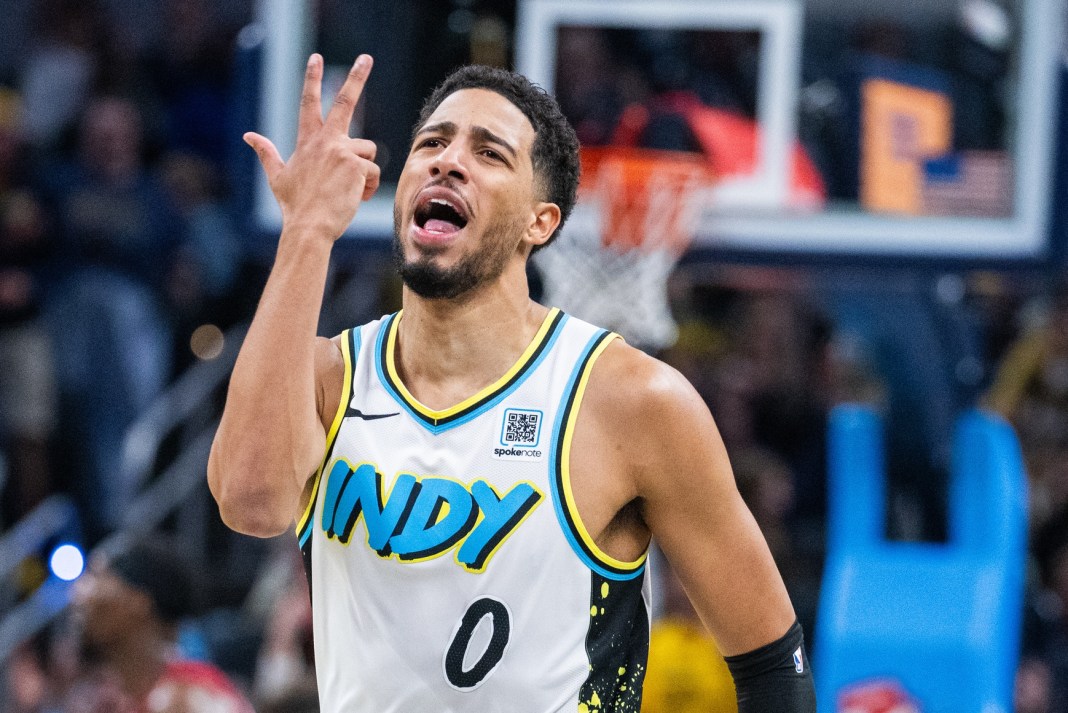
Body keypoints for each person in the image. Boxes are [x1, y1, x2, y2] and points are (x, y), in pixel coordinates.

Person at [208, 53, 815, 712]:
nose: (447, 160)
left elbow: (771, 667)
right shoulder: (331, 378)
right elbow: (251, 503)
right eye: (431, 144)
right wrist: (307, 231)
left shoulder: (631, 402)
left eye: (489, 153)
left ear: (541, 221)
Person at [68, 539, 256, 713]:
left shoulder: (187, 699)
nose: (77, 591)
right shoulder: (121, 700)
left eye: (96, 575)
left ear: (138, 601)